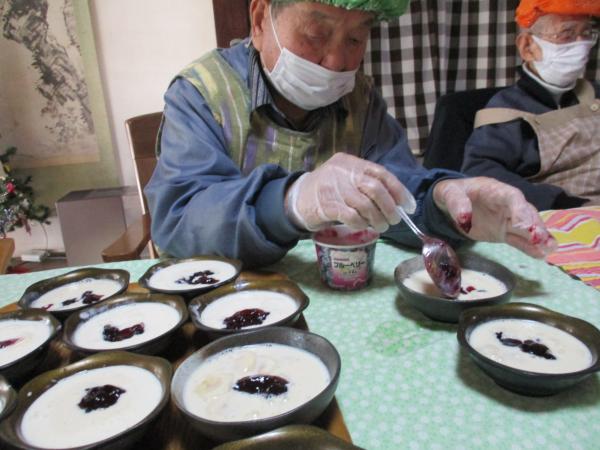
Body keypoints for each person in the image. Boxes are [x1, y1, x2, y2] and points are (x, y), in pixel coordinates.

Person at [145, 0, 556, 268]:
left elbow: (398, 192)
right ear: (259, 20)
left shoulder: (360, 100)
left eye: (356, 38)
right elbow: (179, 221)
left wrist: (444, 202)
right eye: (315, 33)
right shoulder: (202, 94)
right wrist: (292, 201)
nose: (336, 61)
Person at [461, 0, 600, 211]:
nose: (581, 46)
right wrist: (556, 202)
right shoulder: (505, 111)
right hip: (564, 215)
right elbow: (479, 171)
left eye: (586, 33)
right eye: (567, 34)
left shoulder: (595, 94)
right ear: (527, 47)